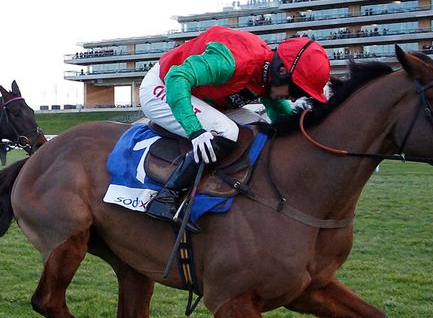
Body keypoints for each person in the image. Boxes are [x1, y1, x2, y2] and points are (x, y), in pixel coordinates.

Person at [139, 26, 330, 230]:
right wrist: (194, 130)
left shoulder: (266, 74)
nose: (294, 98)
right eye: (297, 90)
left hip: (202, 96)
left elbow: (279, 115)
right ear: (281, 71)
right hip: (164, 85)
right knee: (227, 132)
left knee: (260, 127)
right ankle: (166, 198)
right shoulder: (235, 61)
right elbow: (177, 77)